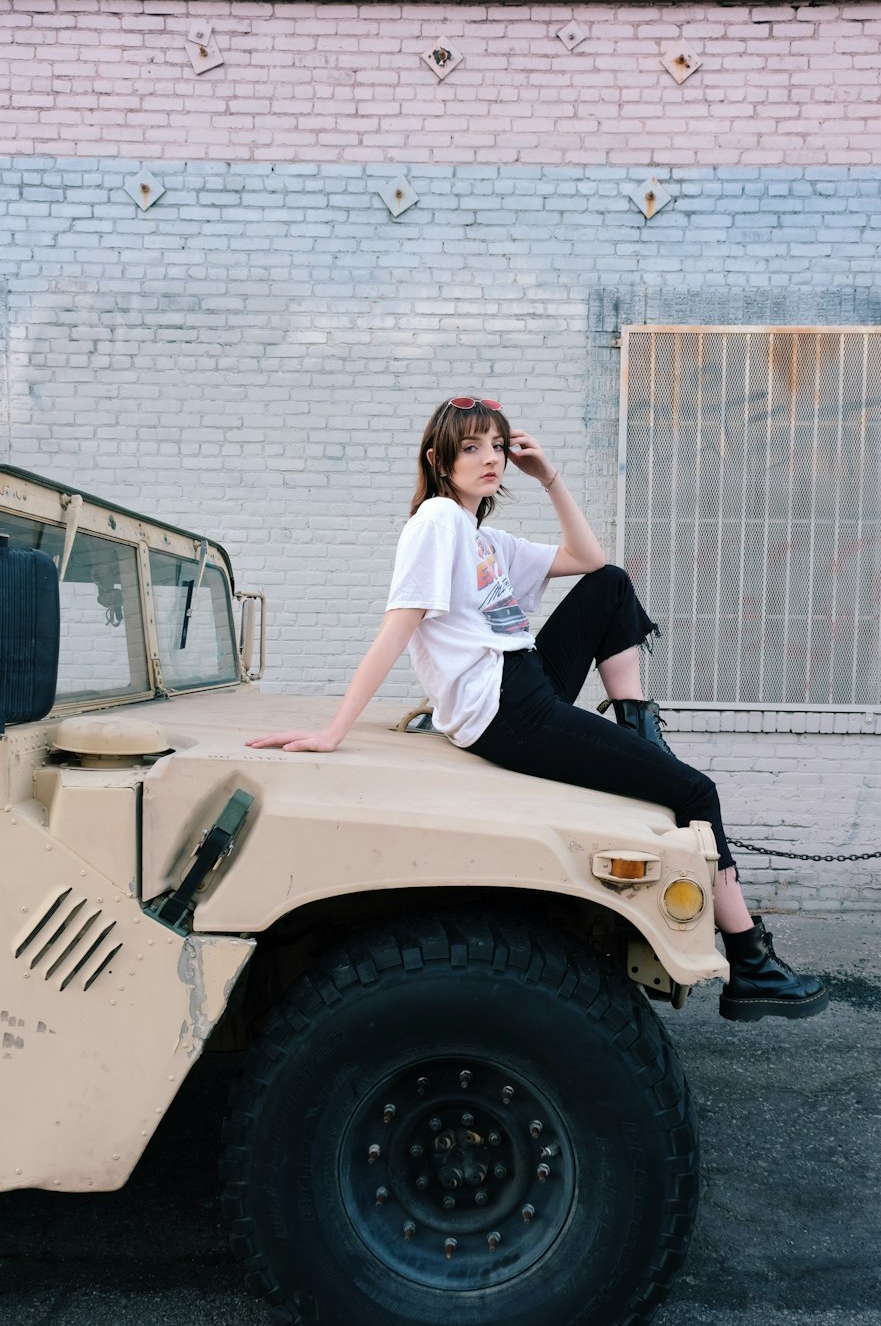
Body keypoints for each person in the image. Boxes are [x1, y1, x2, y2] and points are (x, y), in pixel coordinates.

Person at [247, 397, 827, 1022]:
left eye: (496, 446)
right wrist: (335, 729)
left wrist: (549, 477)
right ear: (437, 459)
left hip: (524, 678)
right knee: (694, 792)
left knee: (610, 584)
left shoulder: (481, 537)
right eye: (471, 448)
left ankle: (637, 726)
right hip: (507, 707)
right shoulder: (437, 520)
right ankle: (752, 965)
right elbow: (399, 625)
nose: (490, 459)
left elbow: (588, 561)